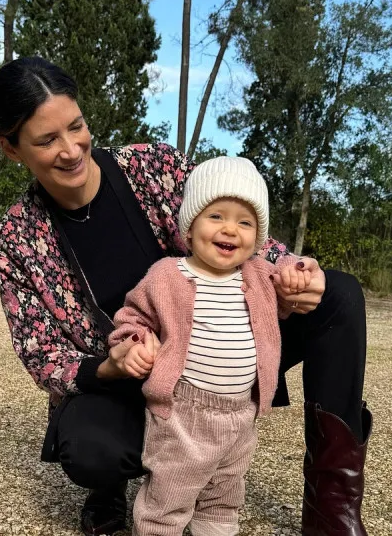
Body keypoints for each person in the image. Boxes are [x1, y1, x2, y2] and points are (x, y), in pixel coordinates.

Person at [0, 56, 372, 536]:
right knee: (91, 450)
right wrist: (112, 363)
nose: (71, 150)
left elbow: (233, 223)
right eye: (46, 140)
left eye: (76, 126)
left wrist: (292, 271)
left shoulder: (152, 167)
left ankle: (331, 508)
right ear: (10, 148)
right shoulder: (16, 239)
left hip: (219, 343)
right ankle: (120, 488)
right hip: (131, 376)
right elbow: (41, 353)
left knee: (338, 295)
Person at [108, 155, 308, 536]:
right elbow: (131, 318)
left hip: (241, 414)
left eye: (245, 222)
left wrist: (300, 272)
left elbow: (292, 273)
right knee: (169, 497)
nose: (230, 229)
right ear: (190, 224)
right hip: (183, 413)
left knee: (223, 499)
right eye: (216, 216)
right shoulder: (167, 275)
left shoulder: (260, 276)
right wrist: (135, 343)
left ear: (258, 237)